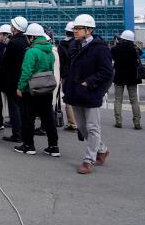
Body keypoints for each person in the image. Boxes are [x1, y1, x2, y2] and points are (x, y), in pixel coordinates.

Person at [63, 14, 114, 175]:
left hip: (90, 93)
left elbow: (106, 72)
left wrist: (89, 82)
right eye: (75, 28)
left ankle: (89, 159)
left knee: (92, 127)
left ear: (89, 30)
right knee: (82, 127)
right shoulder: (74, 46)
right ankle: (102, 149)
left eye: (78, 28)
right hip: (75, 92)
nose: (75, 31)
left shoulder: (100, 48)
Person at [13, 23, 60, 157]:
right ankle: (53, 146)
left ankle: (29, 145)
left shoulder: (31, 52)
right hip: (47, 88)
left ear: (32, 37)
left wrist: (20, 87)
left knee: (28, 118)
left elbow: (26, 71)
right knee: (48, 118)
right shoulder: (50, 51)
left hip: (32, 89)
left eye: (28, 37)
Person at [0, 16, 29, 142]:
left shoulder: (14, 42)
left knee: (14, 108)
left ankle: (17, 134)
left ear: (15, 28)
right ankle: (23, 132)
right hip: (22, 78)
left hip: (12, 80)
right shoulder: (26, 41)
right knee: (22, 107)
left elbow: (6, 63)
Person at [111, 30, 143, 130]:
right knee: (134, 101)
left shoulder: (116, 49)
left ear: (122, 38)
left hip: (119, 77)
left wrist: (117, 42)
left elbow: (112, 53)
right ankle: (137, 122)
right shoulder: (135, 49)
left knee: (118, 100)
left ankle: (118, 121)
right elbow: (140, 52)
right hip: (132, 77)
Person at [57, 21, 79, 131]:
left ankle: (72, 123)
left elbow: (60, 62)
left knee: (68, 98)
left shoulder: (61, 45)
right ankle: (80, 121)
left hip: (66, 74)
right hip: (79, 74)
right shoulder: (80, 43)